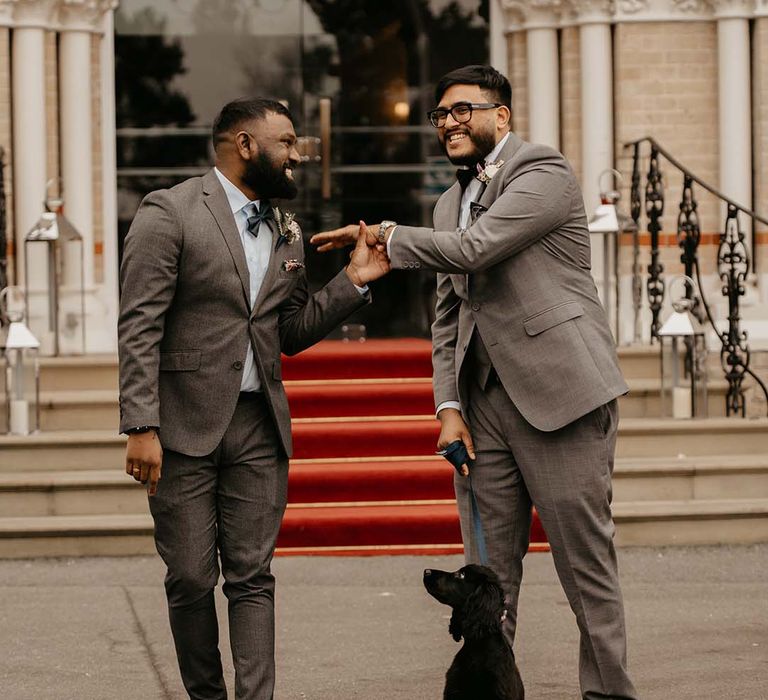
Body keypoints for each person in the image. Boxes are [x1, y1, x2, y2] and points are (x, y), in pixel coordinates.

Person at [311, 65, 639, 699]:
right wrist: (448, 406)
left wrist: (382, 235)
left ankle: (609, 694)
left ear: (502, 116)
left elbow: (475, 249)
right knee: (490, 577)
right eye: (439, 115)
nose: (448, 123)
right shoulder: (444, 203)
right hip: (483, 406)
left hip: (563, 394)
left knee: (586, 571)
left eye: (463, 109)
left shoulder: (542, 173)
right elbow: (448, 314)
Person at [118, 97, 389, 700]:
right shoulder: (170, 212)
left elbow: (286, 332)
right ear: (244, 146)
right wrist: (141, 423)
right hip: (181, 425)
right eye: (287, 142)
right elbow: (139, 325)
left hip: (258, 426)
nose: (299, 154)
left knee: (252, 576)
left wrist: (352, 282)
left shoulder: (286, 228)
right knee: (190, 578)